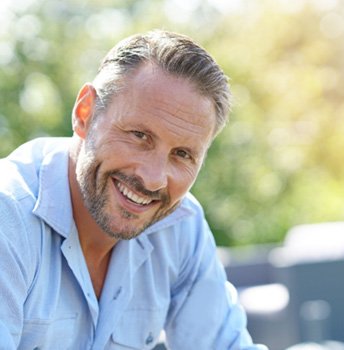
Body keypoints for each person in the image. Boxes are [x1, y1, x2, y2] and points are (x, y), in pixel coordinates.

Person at [0, 30, 267, 350]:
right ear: (85, 113)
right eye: (139, 136)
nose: (154, 179)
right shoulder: (9, 217)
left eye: (182, 154)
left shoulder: (181, 226)